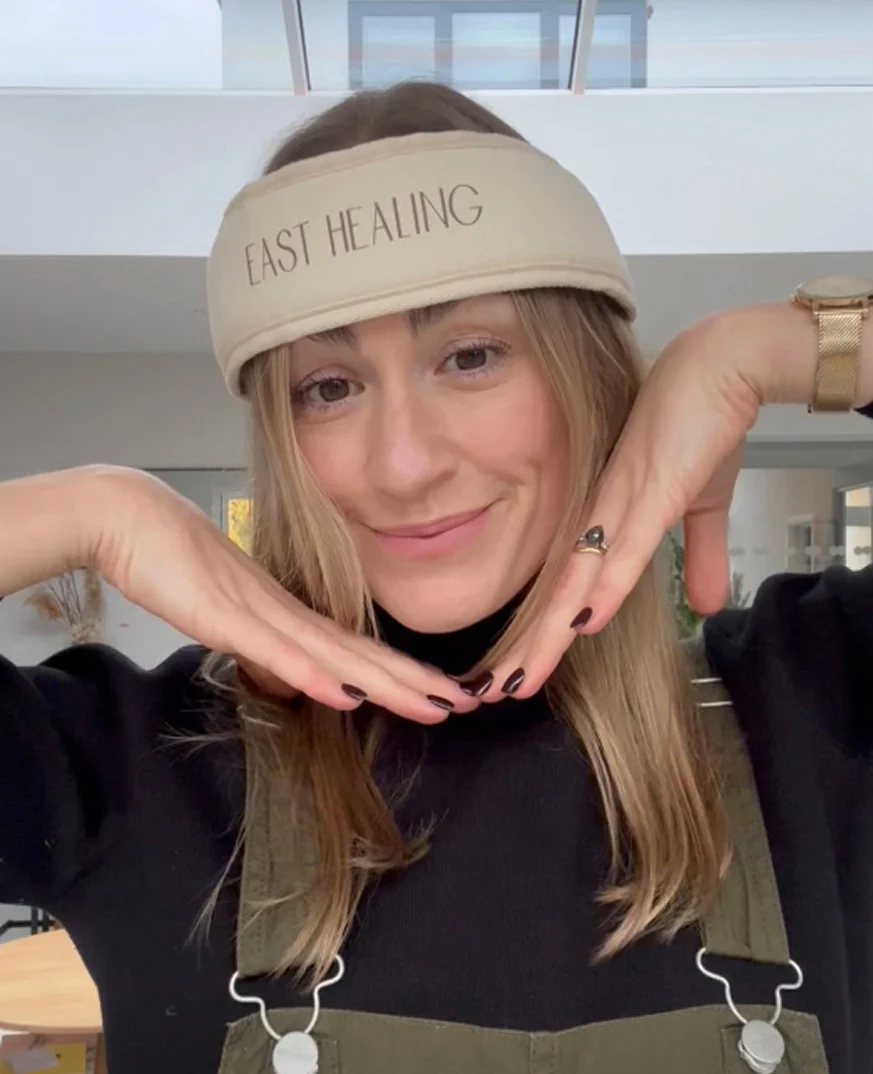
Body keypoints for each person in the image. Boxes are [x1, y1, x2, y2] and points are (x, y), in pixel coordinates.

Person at [0, 81, 871, 1074]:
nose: (403, 464)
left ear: (585, 377)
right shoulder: (136, 766)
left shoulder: (817, 701)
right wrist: (92, 512)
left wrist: (787, 348)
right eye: (330, 387)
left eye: (469, 357)